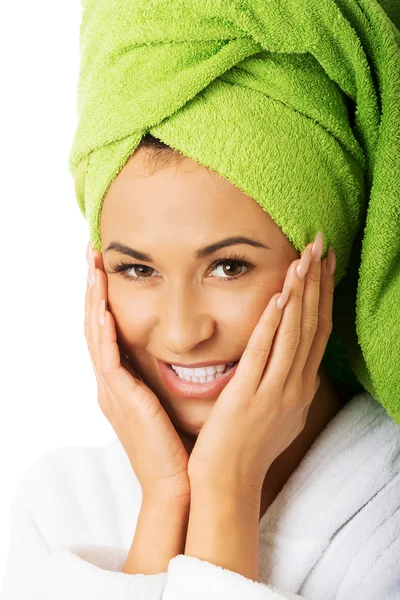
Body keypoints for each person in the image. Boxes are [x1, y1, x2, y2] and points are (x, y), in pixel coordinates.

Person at [2, 0, 400, 597]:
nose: (183, 332)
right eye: (136, 269)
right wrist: (166, 498)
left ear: (323, 261)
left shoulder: (388, 523)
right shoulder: (56, 504)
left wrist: (228, 489)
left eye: (228, 266)